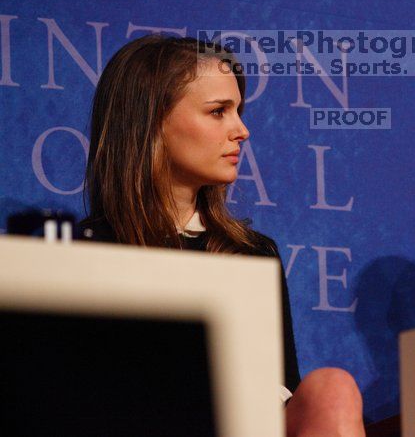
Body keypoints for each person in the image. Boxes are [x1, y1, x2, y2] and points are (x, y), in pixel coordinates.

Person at [80, 34, 365, 436]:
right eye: (218, 112)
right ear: (151, 123)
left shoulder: (253, 254)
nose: (242, 130)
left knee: (333, 390)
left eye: (238, 111)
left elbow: (283, 388)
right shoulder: (86, 249)